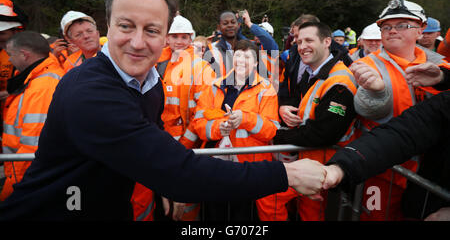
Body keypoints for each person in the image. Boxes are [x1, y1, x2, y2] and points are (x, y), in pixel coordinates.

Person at [0, 0, 326, 220]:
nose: (139, 42)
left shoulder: (149, 80)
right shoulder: (89, 92)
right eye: (126, 26)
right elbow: (177, 167)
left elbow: (160, 146)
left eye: (152, 30)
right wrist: (287, 174)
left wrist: (165, 178)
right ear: (108, 28)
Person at [349, 0, 450, 220]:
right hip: (383, 171)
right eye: (386, 26)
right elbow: (363, 110)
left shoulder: (442, 68)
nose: (392, 31)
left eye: (402, 25)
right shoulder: (364, 67)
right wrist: (375, 91)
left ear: (421, 29)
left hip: (430, 174)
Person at [324, 64, 450, 221]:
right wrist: (342, 166)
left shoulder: (432, 61)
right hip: (378, 168)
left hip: (404, 175)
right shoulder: (364, 63)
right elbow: (402, 132)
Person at [268, 21, 358, 221]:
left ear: (327, 42)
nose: (302, 46)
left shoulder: (339, 81)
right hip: (312, 164)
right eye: (299, 41)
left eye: (309, 40)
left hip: (326, 170)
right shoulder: (317, 74)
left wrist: (277, 136)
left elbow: (323, 132)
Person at [133, 14, 215, 222]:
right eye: (174, 36)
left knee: (185, 205)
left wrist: (184, 145)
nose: (179, 41)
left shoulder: (201, 67)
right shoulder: (154, 62)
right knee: (158, 201)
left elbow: (203, 112)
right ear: (166, 38)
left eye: (185, 37)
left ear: (191, 39)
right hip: (156, 141)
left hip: (185, 144)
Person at [189, 39, 281, 221]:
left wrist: (245, 119)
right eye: (238, 55)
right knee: (215, 214)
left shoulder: (266, 89)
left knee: (243, 216)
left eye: (248, 56)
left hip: (249, 167)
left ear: (256, 62)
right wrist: (218, 128)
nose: (241, 60)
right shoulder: (215, 86)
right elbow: (198, 122)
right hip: (216, 165)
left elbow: (272, 130)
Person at [0, 31, 64, 201]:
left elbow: (33, 147)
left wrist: (11, 192)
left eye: (11, 55)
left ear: (25, 55)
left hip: (25, 179)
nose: (10, 60)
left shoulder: (43, 87)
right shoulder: (36, 79)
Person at [0, 0, 26, 141]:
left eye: (2, 34)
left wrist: (10, 92)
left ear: (15, 31)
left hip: (18, 118)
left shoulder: (29, 52)